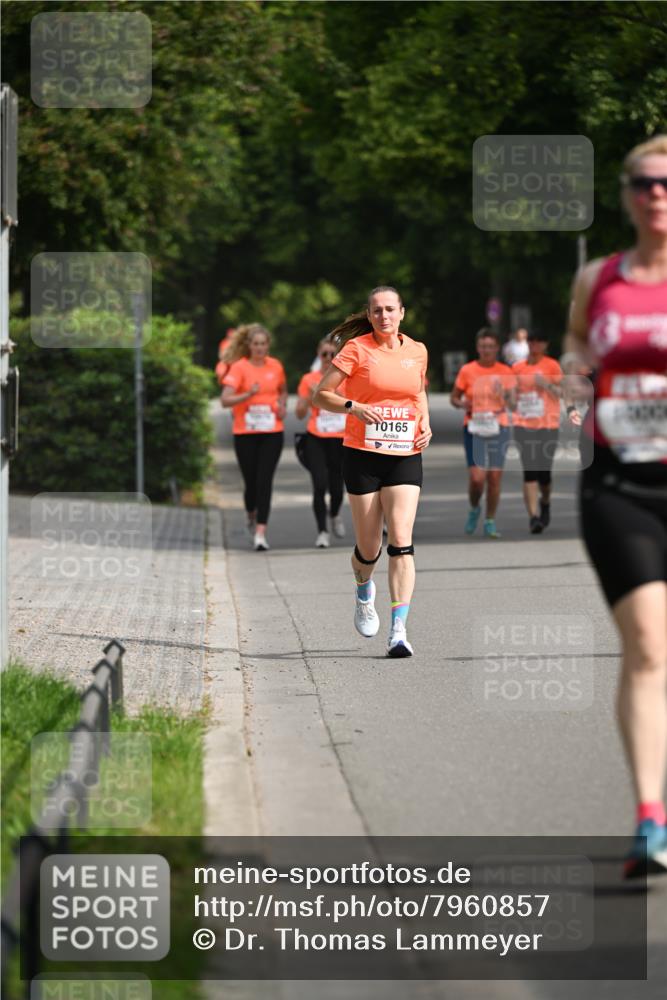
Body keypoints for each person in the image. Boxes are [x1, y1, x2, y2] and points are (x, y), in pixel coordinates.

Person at [564, 134, 667, 877]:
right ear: (626, 193)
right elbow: (575, 346)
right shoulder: (597, 277)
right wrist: (575, 376)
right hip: (618, 485)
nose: (656, 194)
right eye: (644, 182)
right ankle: (650, 822)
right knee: (648, 649)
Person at [313, 286, 431, 657]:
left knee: (401, 539)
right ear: (369, 314)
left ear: (402, 313)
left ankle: (399, 630)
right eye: (377, 310)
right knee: (370, 547)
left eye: (390, 309)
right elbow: (321, 395)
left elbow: (417, 393)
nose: (384, 316)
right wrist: (354, 407)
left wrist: (424, 421)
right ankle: (364, 587)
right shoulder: (356, 350)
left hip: (404, 452)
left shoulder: (417, 351)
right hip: (362, 455)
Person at [221, 324, 287, 551]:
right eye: (255, 344)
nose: (259, 348)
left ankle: (261, 532)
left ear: (268, 345)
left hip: (272, 432)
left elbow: (283, 390)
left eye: (263, 344)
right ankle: (251, 512)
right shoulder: (239, 368)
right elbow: (225, 400)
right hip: (245, 432)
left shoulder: (276, 366)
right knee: (250, 481)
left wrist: (282, 405)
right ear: (249, 346)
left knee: (264, 480)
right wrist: (248, 394)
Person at [450, 329, 514, 538]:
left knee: (494, 477)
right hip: (474, 427)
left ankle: (490, 520)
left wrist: (504, 394)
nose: (487, 350)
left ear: (497, 349)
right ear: (478, 348)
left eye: (490, 346)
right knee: (477, 478)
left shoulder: (505, 371)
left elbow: (514, 402)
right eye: (483, 346)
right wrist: (463, 404)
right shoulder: (468, 370)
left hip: (499, 426)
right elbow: (454, 398)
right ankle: (475, 507)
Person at [511, 330, 563, 533]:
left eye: (539, 340)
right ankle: (533, 517)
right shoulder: (517, 368)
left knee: (544, 474)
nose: (534, 344)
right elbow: (510, 399)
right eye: (531, 341)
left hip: (547, 425)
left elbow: (562, 393)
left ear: (545, 345)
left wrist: (546, 384)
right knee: (530, 471)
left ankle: (546, 502)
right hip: (523, 424)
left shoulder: (552, 366)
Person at [296, 339, 347, 548]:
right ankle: (322, 531)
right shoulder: (309, 379)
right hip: (316, 437)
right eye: (324, 354)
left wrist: (337, 395)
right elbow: (299, 414)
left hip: (340, 439)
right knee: (319, 483)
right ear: (318, 355)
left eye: (332, 354)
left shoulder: (345, 378)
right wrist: (310, 398)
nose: (328, 358)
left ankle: (334, 514)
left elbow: (354, 406)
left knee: (337, 487)